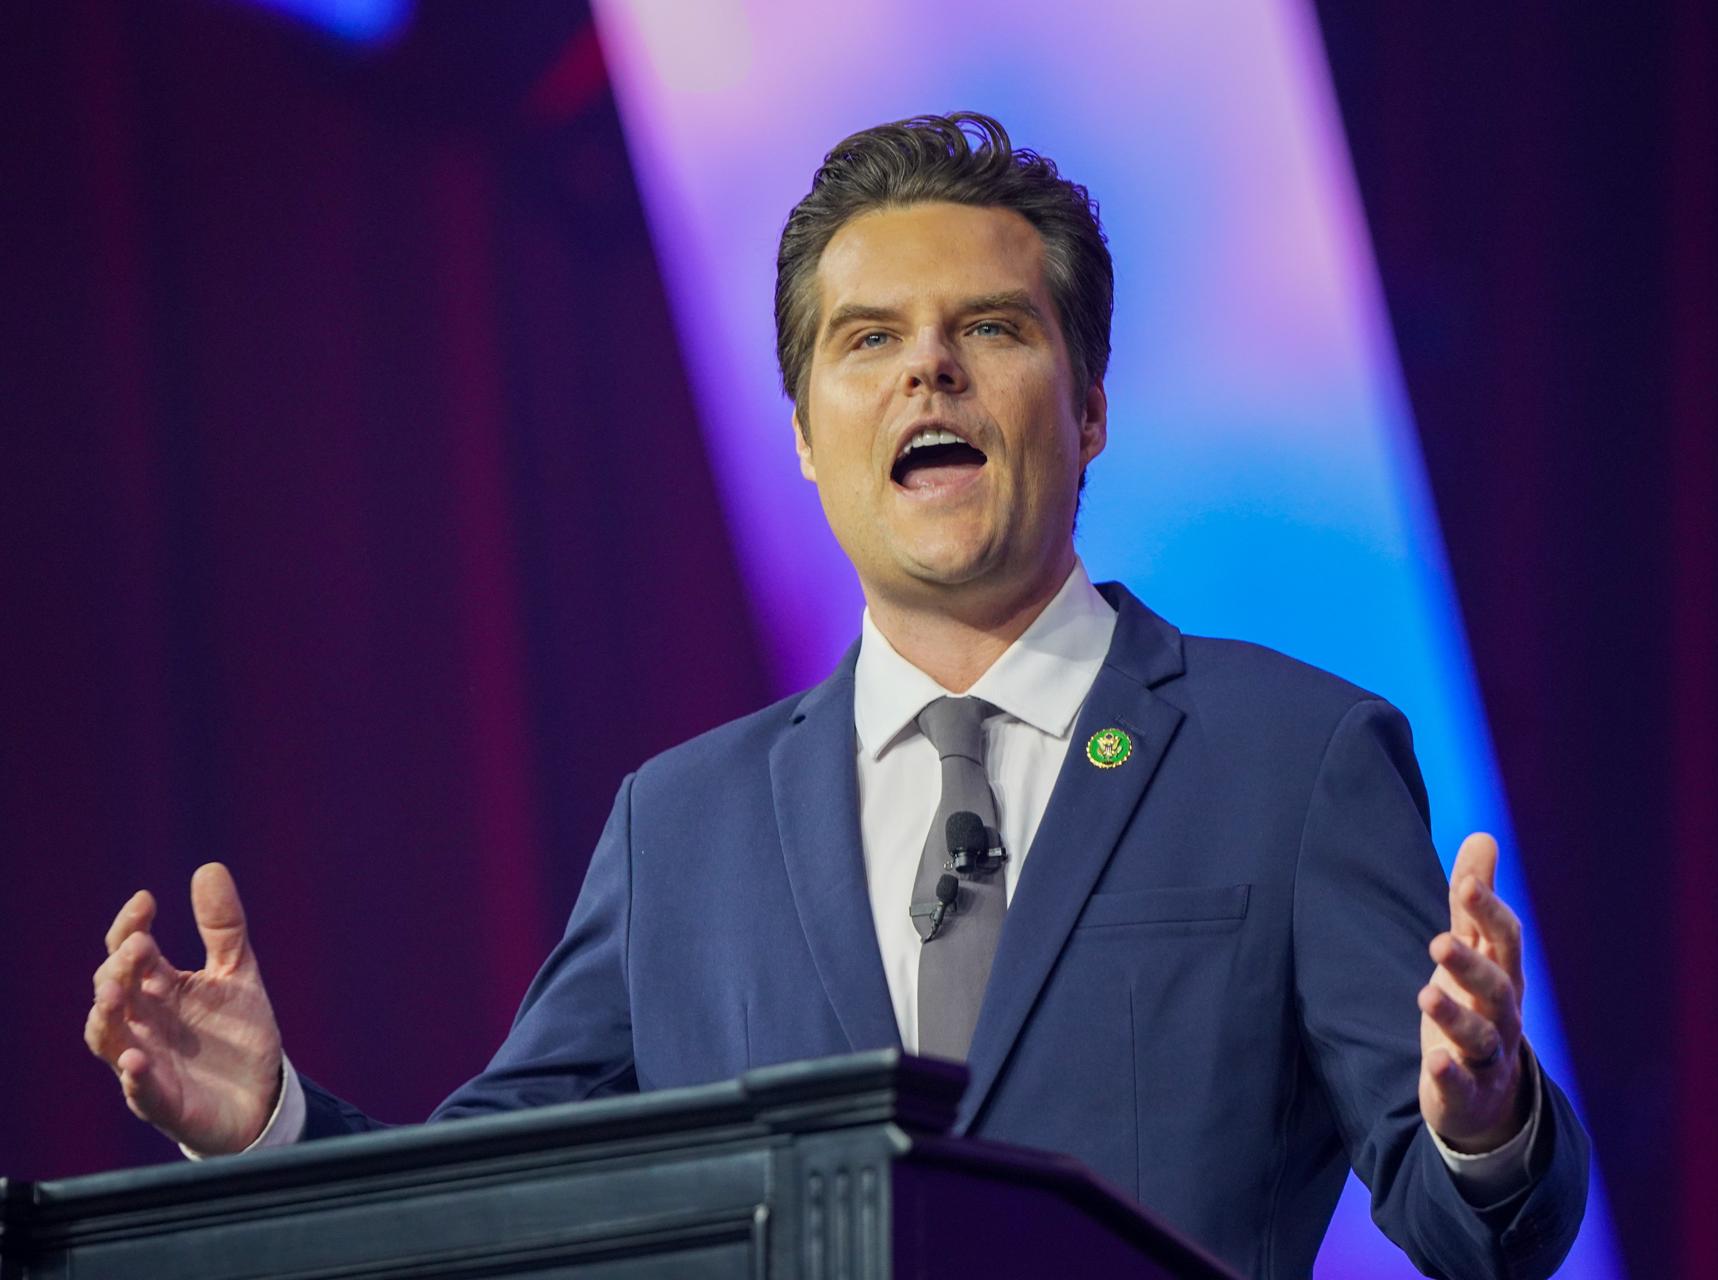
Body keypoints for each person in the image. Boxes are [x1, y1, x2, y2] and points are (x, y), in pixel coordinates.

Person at [85, 113, 1588, 1278]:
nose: (929, 369)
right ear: (808, 433)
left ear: (1094, 403)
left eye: (992, 328)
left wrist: (1483, 1123)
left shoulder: (1293, 756)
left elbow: (1484, 1237)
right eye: (870, 341)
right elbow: (498, 1216)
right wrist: (273, 1129)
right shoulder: (679, 826)